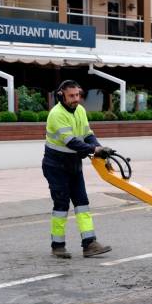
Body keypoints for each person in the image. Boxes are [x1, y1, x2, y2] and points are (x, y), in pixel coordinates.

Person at [44, 80, 112, 259]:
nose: (76, 99)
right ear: (61, 96)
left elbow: (87, 134)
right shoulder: (56, 114)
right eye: (71, 96)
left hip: (73, 165)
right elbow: (71, 142)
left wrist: (99, 148)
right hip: (55, 166)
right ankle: (57, 246)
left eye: (78, 95)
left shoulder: (80, 110)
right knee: (61, 205)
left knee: (82, 204)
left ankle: (89, 244)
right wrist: (93, 150)